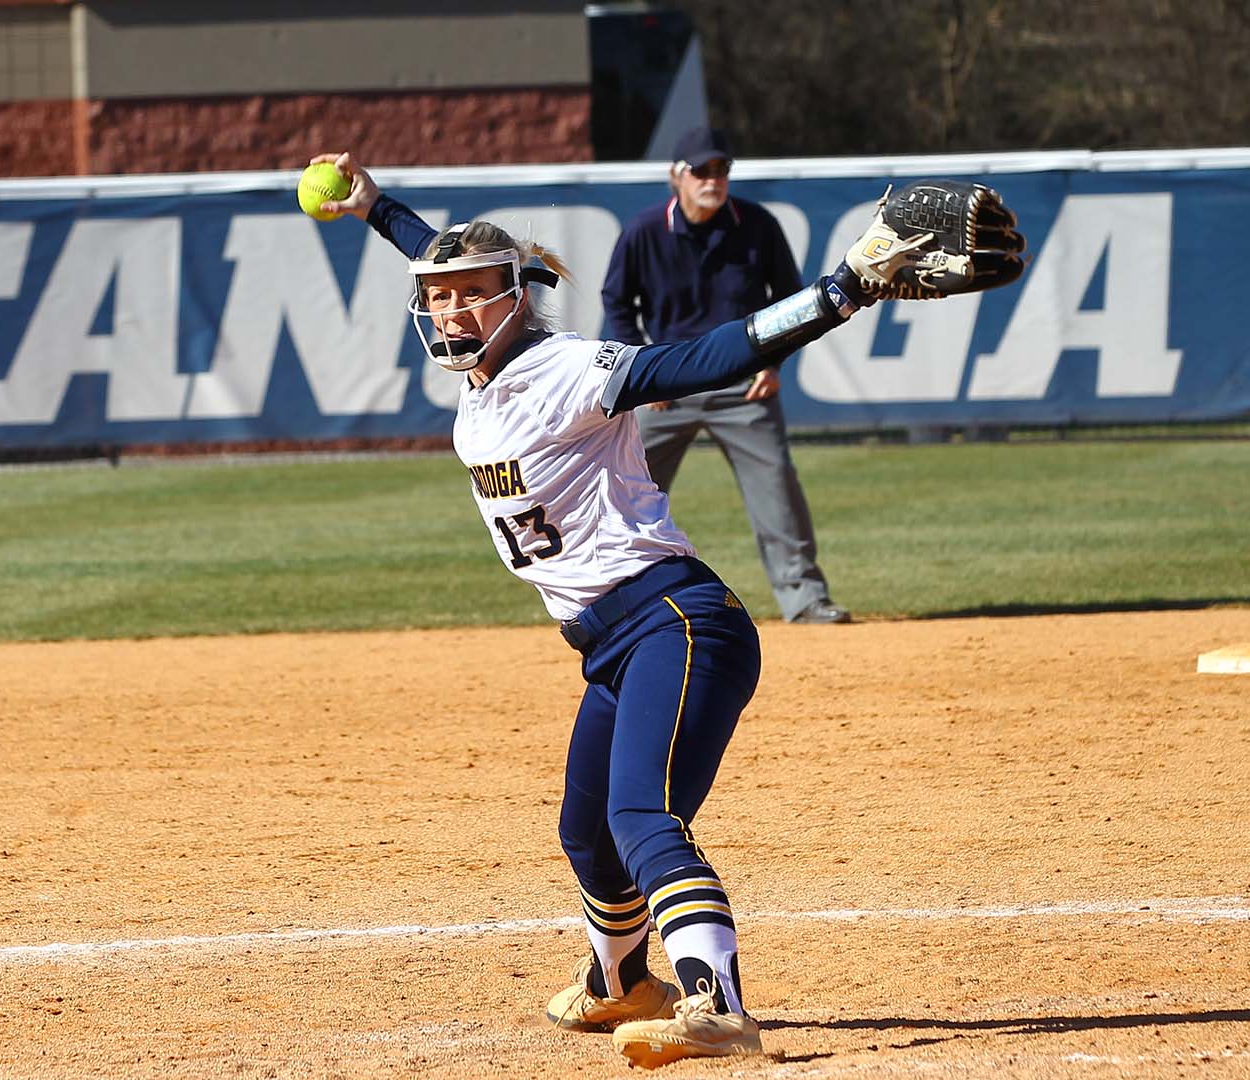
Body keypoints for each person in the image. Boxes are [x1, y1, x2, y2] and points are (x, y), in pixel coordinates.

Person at [302, 150, 896, 1070]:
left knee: (642, 816)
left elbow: (710, 355)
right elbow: (442, 256)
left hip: (677, 621)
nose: (451, 310)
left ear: (517, 298)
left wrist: (842, 290)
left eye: (473, 296)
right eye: (438, 297)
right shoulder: (482, 383)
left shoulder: (568, 369)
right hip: (612, 645)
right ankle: (619, 984)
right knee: (586, 832)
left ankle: (718, 1004)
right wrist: (379, 208)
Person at [602, 127, 852, 624]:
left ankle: (805, 598)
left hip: (744, 384)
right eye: (701, 170)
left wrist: (775, 363)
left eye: (721, 169)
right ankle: (610, 602)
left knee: (775, 487)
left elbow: (792, 300)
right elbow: (617, 302)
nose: (712, 180)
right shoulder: (644, 231)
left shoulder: (756, 225)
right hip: (667, 386)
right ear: (676, 176)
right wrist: (640, 373)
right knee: (624, 491)